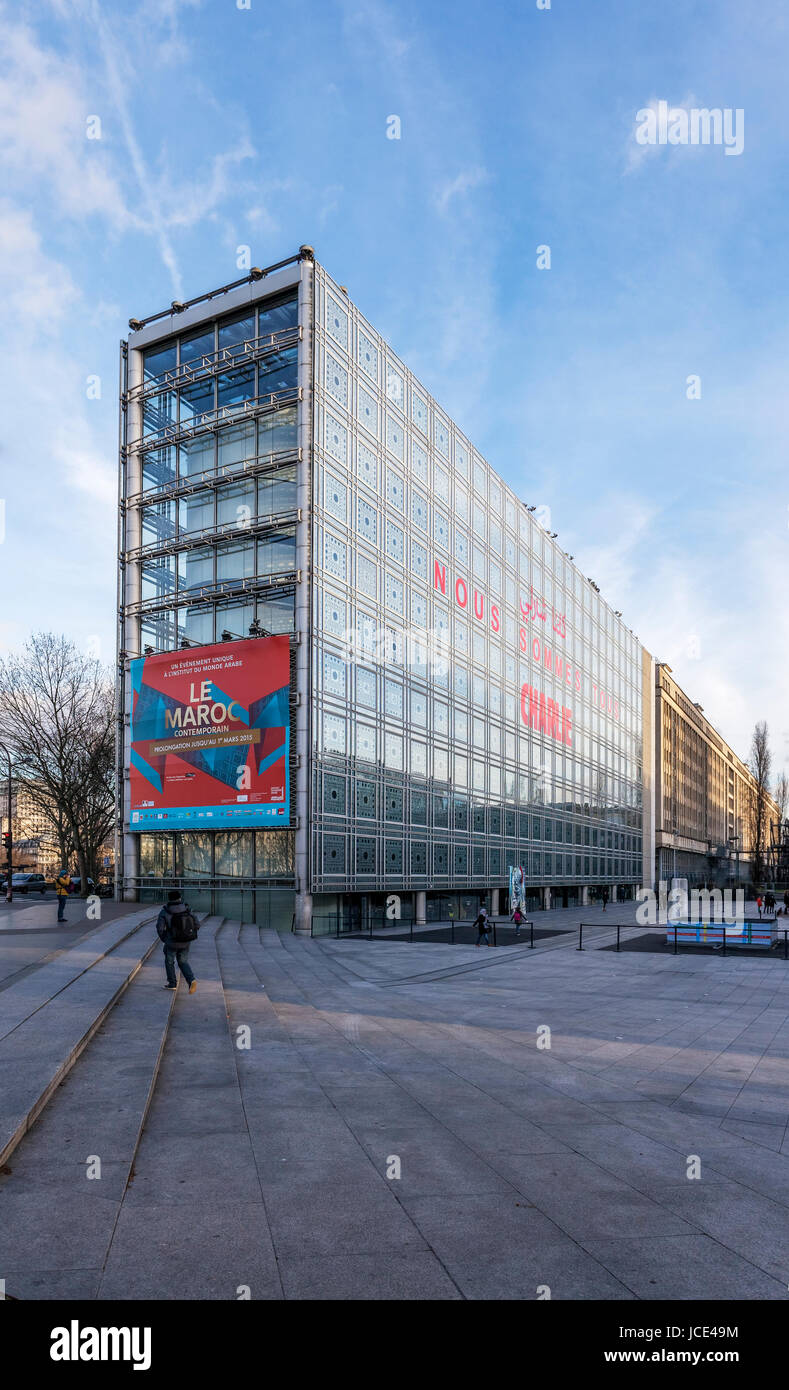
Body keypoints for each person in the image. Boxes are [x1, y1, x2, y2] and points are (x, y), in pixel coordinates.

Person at [156, 890, 199, 992]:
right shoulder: (187, 909)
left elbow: (160, 928)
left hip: (171, 941)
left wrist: (164, 939)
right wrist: (189, 933)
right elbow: (197, 924)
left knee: (169, 962)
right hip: (185, 941)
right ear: (180, 898)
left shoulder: (165, 911)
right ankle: (191, 980)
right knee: (183, 961)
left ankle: (172, 983)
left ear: (169, 899)